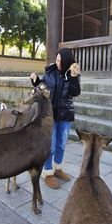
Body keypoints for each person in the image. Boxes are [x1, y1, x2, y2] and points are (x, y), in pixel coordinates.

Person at [30, 48, 81, 189]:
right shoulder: (50, 72)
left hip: (65, 114)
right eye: (57, 60)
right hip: (50, 114)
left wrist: (73, 77)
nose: (58, 63)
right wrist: (36, 81)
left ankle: (57, 168)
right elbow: (42, 86)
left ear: (67, 61)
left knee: (62, 143)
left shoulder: (72, 73)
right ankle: (47, 172)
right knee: (50, 145)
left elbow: (76, 92)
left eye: (60, 61)